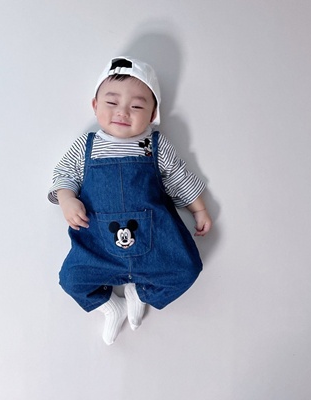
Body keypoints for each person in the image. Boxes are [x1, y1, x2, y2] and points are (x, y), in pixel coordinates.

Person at [48, 56, 212, 345]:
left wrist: (198, 209)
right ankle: (112, 307)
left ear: (152, 114)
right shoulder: (87, 146)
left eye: (136, 106)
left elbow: (179, 176)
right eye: (111, 102)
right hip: (98, 248)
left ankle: (140, 293)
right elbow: (64, 174)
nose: (123, 112)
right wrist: (66, 198)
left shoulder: (155, 146)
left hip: (155, 243)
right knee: (71, 280)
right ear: (95, 106)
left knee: (187, 270)